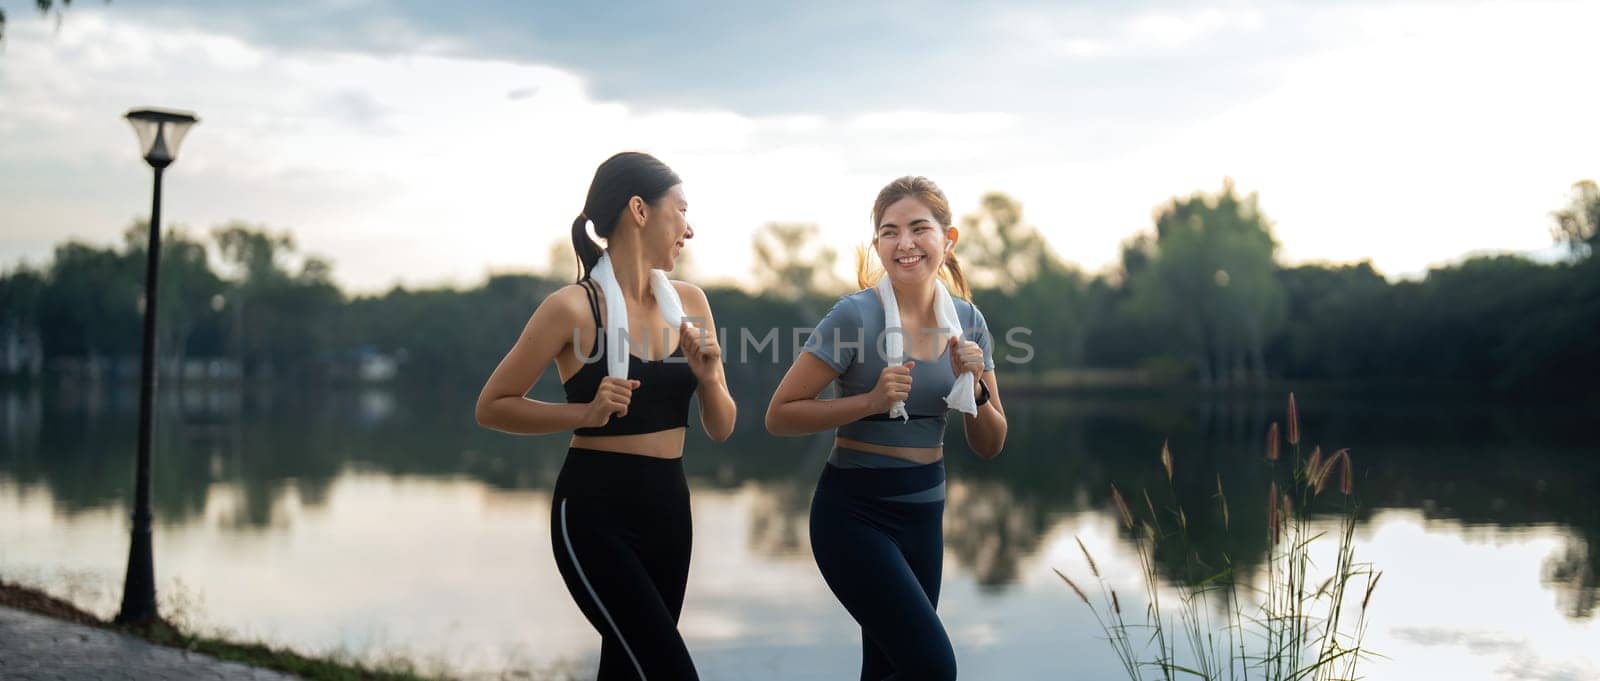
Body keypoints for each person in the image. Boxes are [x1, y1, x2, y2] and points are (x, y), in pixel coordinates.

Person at [476, 151, 735, 681]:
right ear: (640, 210)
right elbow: (494, 405)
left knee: (627, 669)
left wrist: (708, 377)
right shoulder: (571, 307)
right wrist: (584, 412)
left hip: (670, 510)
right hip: (595, 512)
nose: (690, 228)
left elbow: (722, 425)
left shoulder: (691, 303)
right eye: (681, 210)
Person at [765, 175, 1008, 681]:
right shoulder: (854, 316)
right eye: (889, 232)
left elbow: (990, 444)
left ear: (948, 238)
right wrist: (869, 401)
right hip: (853, 517)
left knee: (887, 671)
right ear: (877, 243)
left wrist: (976, 388)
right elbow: (781, 413)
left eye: (919, 228)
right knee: (932, 667)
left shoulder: (968, 323)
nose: (905, 244)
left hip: (925, 517)